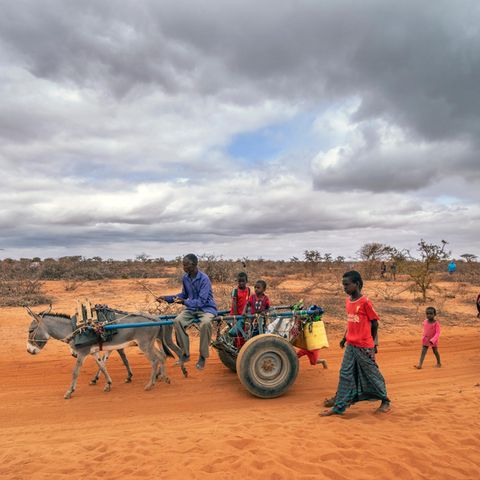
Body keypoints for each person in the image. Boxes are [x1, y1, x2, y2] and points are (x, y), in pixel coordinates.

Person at [321, 270, 391, 416]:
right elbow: (351, 322)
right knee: (345, 373)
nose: (344, 288)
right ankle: (339, 406)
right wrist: (344, 337)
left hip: (364, 346)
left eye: (347, 285)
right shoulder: (348, 301)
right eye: (343, 285)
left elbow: (374, 323)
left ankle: (385, 400)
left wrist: (371, 342)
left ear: (357, 284)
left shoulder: (365, 302)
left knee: (372, 374)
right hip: (351, 345)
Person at [157, 254, 217, 370]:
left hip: (206, 308)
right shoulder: (185, 278)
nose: (184, 267)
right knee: (177, 321)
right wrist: (166, 298)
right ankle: (185, 354)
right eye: (183, 265)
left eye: (186, 265)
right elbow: (183, 295)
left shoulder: (204, 279)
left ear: (194, 265)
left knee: (205, 323)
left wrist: (184, 302)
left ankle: (202, 356)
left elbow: (201, 301)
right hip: (192, 309)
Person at [228, 272, 251, 338]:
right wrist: (236, 317)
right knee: (235, 332)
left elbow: (248, 302)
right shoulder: (235, 291)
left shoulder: (248, 290)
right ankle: (236, 346)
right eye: (239, 281)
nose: (241, 283)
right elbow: (234, 303)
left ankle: (242, 346)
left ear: (246, 281)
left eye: (243, 281)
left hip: (243, 314)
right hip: (236, 314)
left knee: (243, 331)